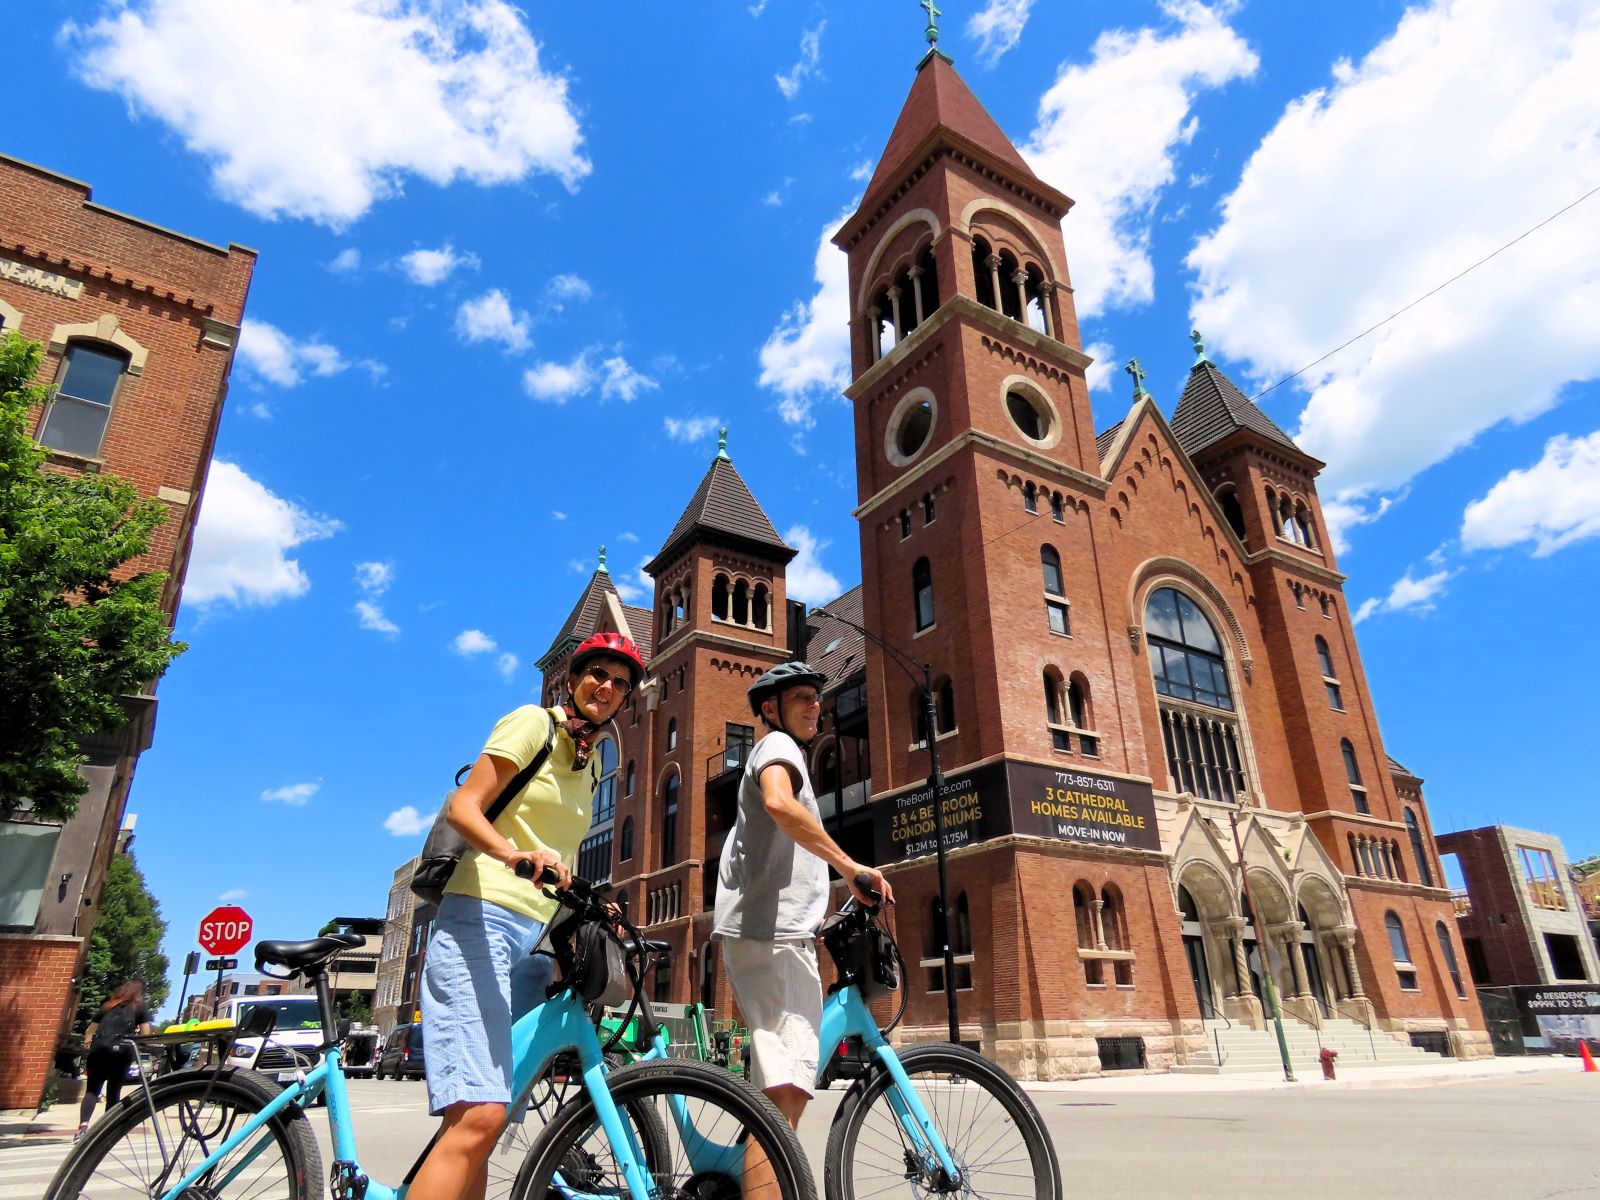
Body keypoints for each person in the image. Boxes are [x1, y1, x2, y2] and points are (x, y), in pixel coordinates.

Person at [407, 631, 644, 1200]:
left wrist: (591, 900)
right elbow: (466, 808)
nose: (606, 687)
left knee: (487, 1121)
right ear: (573, 678)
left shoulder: (589, 764)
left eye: (620, 682)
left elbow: (554, 855)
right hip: (480, 918)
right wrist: (513, 854)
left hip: (531, 938)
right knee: (482, 1115)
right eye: (597, 674)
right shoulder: (531, 724)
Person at [713, 661, 894, 1194]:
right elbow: (777, 801)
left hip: (772, 934)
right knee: (785, 1094)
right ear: (770, 709)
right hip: (772, 938)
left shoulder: (781, 750)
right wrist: (851, 867)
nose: (814, 705)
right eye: (800, 698)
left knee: (777, 1090)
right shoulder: (779, 748)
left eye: (818, 698)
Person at [78, 979, 151, 1137]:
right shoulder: (139, 1007)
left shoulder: (109, 1004)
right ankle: (105, 1132)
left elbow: (90, 1029)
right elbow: (145, 1034)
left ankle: (82, 1128)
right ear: (139, 992)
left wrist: (88, 1042)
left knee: (92, 1091)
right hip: (121, 1052)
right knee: (113, 1091)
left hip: (98, 1051)